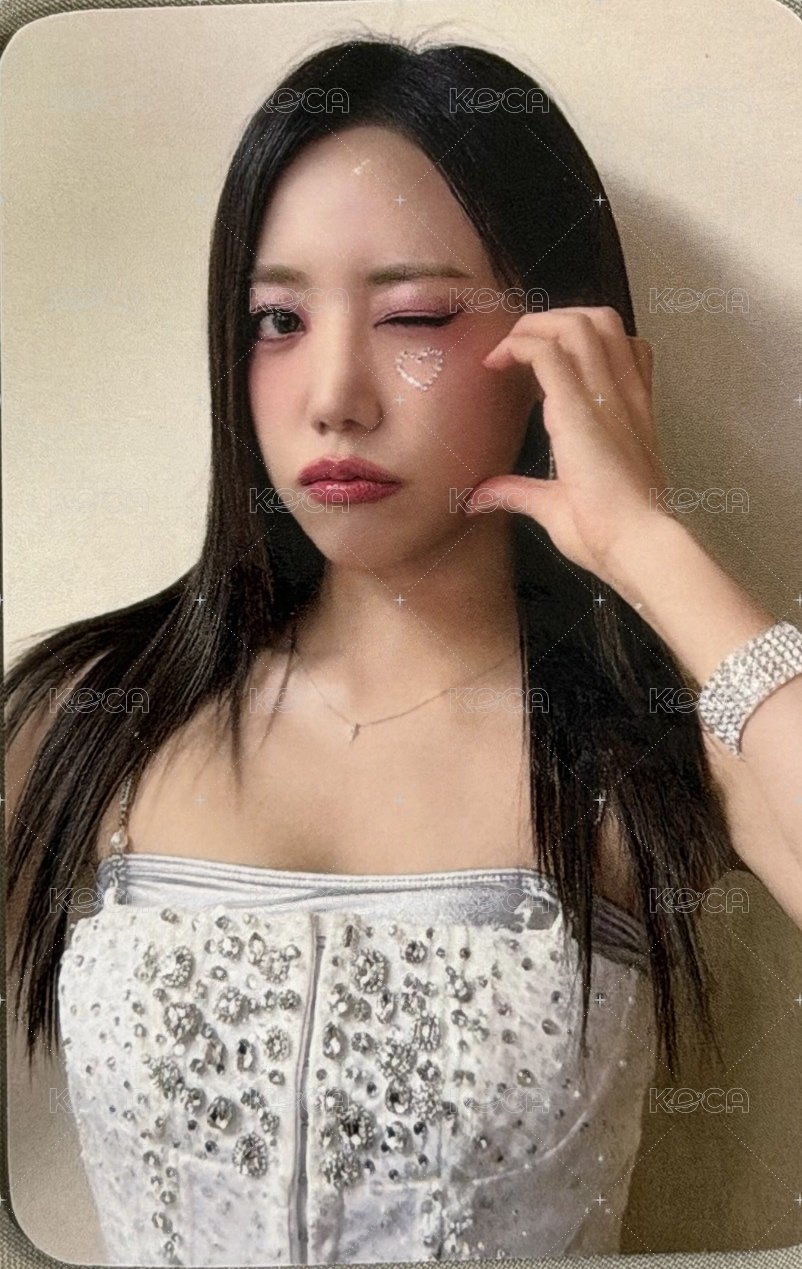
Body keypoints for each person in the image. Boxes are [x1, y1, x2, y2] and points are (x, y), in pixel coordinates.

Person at [5, 33, 802, 1266]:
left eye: (415, 317)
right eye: (276, 319)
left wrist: (647, 543)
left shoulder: (655, 743)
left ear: (559, 344)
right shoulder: (89, 715)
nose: (334, 394)